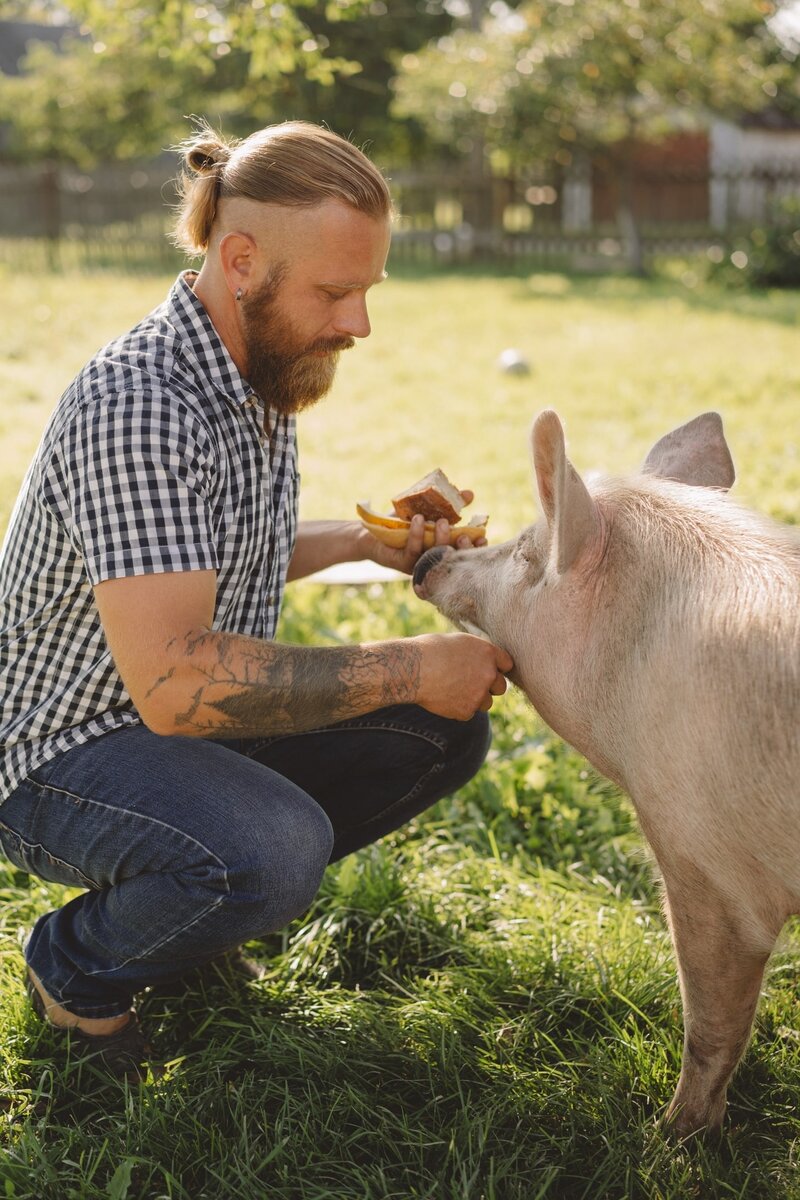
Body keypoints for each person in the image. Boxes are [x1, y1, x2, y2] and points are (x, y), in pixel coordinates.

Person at [0, 121, 512, 1081]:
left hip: (161, 721)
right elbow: (178, 687)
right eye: (335, 291)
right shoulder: (143, 403)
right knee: (275, 849)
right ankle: (78, 965)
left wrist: (367, 542)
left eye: (367, 290)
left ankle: (187, 916)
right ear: (241, 262)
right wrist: (411, 661)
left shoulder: (255, 375)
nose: (359, 322)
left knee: (437, 731)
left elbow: (210, 563)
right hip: (54, 755)